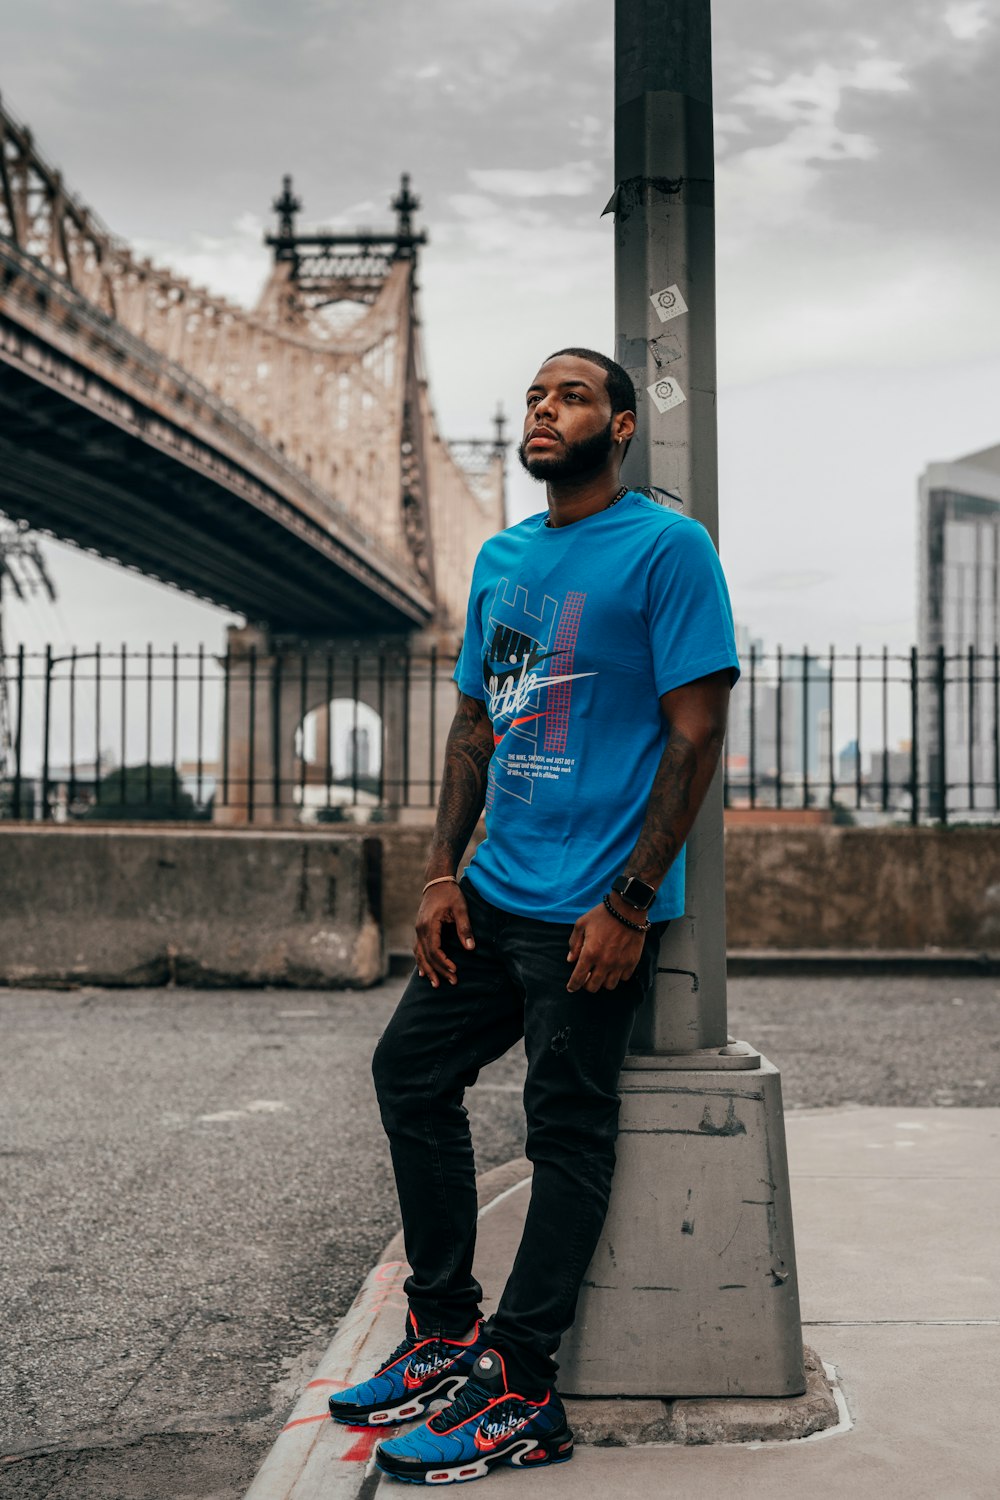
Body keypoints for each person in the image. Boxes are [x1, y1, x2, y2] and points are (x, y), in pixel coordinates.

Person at [328, 348, 740, 1484]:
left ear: (618, 428)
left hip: (589, 913)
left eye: (569, 396)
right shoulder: (506, 559)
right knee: (409, 1075)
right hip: (493, 890)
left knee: (566, 1131)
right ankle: (446, 1333)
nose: (543, 410)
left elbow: (694, 733)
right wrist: (437, 874)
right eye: (531, 397)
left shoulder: (668, 549)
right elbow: (476, 726)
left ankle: (519, 1387)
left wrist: (629, 902)